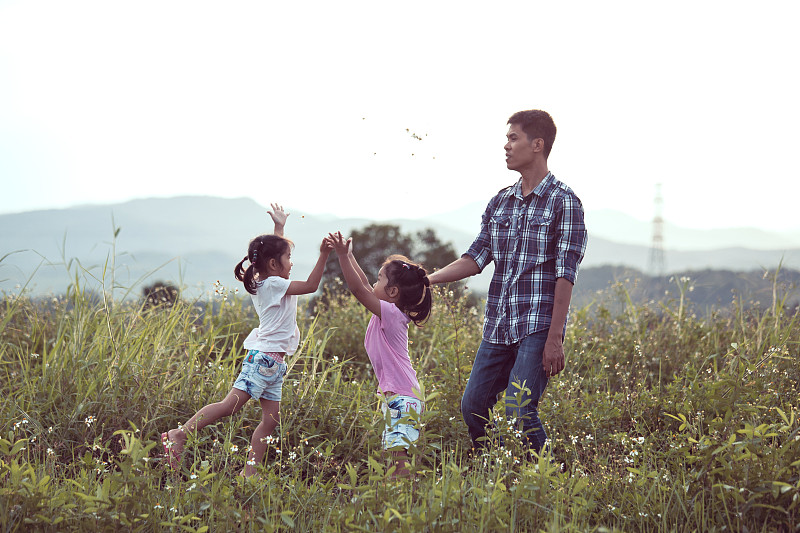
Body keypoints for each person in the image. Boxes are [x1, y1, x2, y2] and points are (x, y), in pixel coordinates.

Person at [427, 110, 587, 455]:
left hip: (537, 325)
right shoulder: (500, 202)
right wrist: (429, 280)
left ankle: (549, 482)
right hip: (499, 324)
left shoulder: (564, 202)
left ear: (537, 144)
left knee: (518, 409)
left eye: (514, 138)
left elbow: (566, 273)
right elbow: (475, 258)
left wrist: (555, 338)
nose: (506, 145)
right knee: (472, 406)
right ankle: (497, 470)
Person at [161, 204, 331, 477]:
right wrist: (324, 255)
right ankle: (179, 434)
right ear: (274, 264)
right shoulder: (274, 284)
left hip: (272, 363)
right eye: (289, 258)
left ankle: (249, 474)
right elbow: (311, 286)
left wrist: (279, 228)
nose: (291, 263)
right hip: (263, 360)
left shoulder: (266, 280)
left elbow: (273, 255)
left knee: (270, 420)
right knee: (231, 406)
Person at [328, 231, 431, 478]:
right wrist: (350, 256)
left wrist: (342, 256)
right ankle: (400, 498)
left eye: (380, 279)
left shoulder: (392, 315)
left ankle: (404, 501)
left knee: (398, 457)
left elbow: (358, 288)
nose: (374, 284)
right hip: (401, 397)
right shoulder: (388, 313)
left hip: (402, 397)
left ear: (393, 292)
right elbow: (363, 284)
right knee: (394, 455)